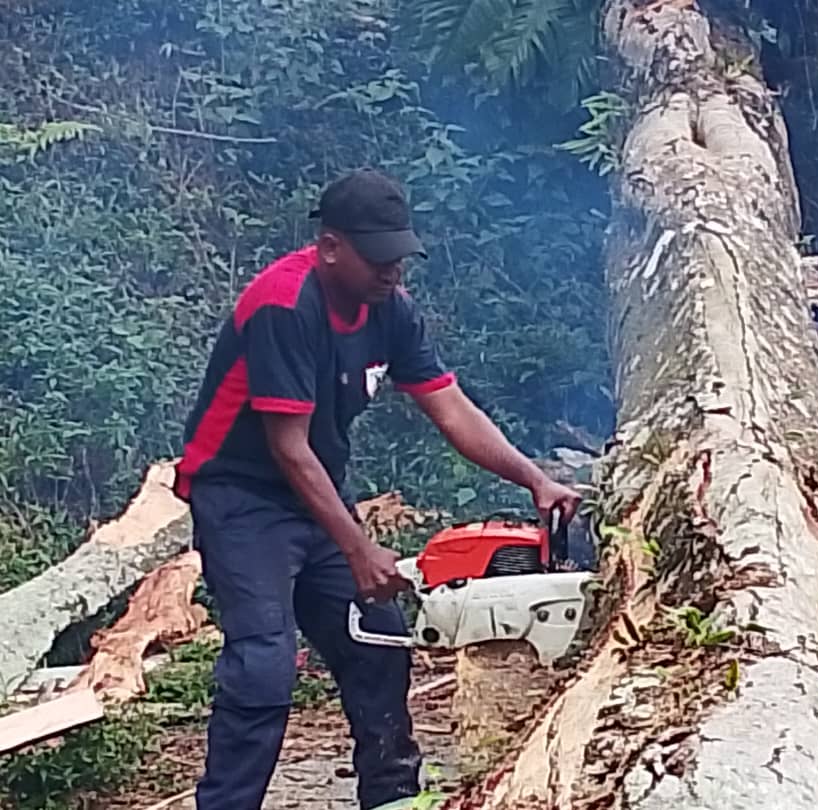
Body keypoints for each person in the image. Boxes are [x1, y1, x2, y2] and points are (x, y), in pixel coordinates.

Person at [173, 167, 582, 810]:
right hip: (240, 497)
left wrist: (535, 479)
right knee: (264, 663)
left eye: (399, 256)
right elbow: (288, 448)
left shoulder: (391, 310)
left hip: (314, 491)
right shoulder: (285, 304)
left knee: (378, 643)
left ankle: (392, 799)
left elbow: (451, 409)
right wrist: (360, 548)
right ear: (331, 246)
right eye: (378, 257)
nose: (392, 271)